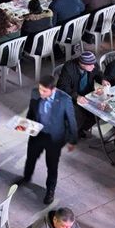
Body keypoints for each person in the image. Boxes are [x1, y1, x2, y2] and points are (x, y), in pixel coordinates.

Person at [21, 76, 78, 204]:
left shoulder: (64, 100)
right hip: (37, 133)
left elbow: (71, 121)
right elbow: (32, 110)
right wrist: (27, 124)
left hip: (54, 138)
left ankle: (50, 190)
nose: (41, 93)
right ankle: (26, 178)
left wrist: (72, 140)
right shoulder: (35, 92)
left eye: (44, 91)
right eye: (40, 89)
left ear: (53, 90)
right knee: (30, 158)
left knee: (52, 165)